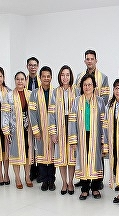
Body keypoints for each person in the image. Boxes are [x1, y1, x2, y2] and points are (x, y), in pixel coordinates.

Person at [74, 49, 109, 189]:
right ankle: (84, 180)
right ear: (84, 61)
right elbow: (78, 96)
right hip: (84, 120)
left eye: (92, 59)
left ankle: (97, 181)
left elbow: (105, 100)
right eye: (87, 59)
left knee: (97, 154)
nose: (89, 61)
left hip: (97, 120)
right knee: (83, 153)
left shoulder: (103, 77)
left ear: (96, 60)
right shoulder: (79, 77)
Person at [68, 74, 105, 200]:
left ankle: (95, 188)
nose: (87, 87)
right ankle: (84, 189)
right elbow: (72, 121)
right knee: (83, 160)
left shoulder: (100, 101)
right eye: (85, 85)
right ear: (81, 87)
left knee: (95, 161)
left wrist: (103, 139)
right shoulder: (77, 101)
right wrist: (73, 139)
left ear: (94, 86)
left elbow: (103, 122)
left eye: (90, 84)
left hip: (96, 135)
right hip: (82, 135)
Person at [48, 65, 79, 195]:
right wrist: (53, 132)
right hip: (60, 125)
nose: (65, 77)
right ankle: (64, 182)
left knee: (71, 156)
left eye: (67, 75)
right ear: (59, 77)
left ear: (70, 76)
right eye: (62, 75)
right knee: (61, 156)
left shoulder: (76, 91)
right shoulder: (55, 92)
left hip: (72, 126)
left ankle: (71, 182)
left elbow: (79, 111)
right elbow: (51, 113)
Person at [2, 71, 34, 189]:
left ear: (26, 81)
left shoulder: (30, 94)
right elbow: (5, 114)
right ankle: (17, 177)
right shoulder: (9, 95)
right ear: (15, 80)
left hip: (28, 129)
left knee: (27, 153)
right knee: (16, 153)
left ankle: (27, 176)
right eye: (17, 79)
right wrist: (6, 129)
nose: (20, 81)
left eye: (22, 79)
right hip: (15, 129)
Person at [29, 66, 56, 191]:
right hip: (40, 129)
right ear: (40, 78)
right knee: (41, 155)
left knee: (52, 155)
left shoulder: (55, 92)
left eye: (48, 76)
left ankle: (51, 180)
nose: (46, 78)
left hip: (52, 130)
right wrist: (36, 130)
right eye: (44, 76)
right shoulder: (34, 93)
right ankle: (44, 180)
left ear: (51, 77)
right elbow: (32, 113)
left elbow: (57, 113)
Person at [26, 57, 40, 182]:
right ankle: (31, 171)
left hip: (38, 118)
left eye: (35, 65)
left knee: (39, 145)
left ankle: (40, 172)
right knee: (29, 145)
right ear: (27, 67)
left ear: (38, 66)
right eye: (30, 65)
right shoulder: (23, 81)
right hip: (26, 118)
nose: (33, 67)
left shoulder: (43, 82)